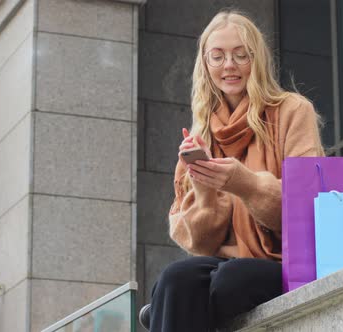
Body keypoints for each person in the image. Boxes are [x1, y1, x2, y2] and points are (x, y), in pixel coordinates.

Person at [139, 10, 325, 332]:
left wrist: (245, 183)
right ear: (206, 65)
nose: (229, 66)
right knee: (175, 277)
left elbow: (306, 207)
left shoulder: (292, 111)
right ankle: (163, 304)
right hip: (224, 266)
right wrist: (206, 190)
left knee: (224, 282)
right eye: (218, 56)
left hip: (285, 263)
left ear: (257, 60)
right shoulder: (201, 135)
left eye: (241, 55)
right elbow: (198, 244)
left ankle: (160, 310)